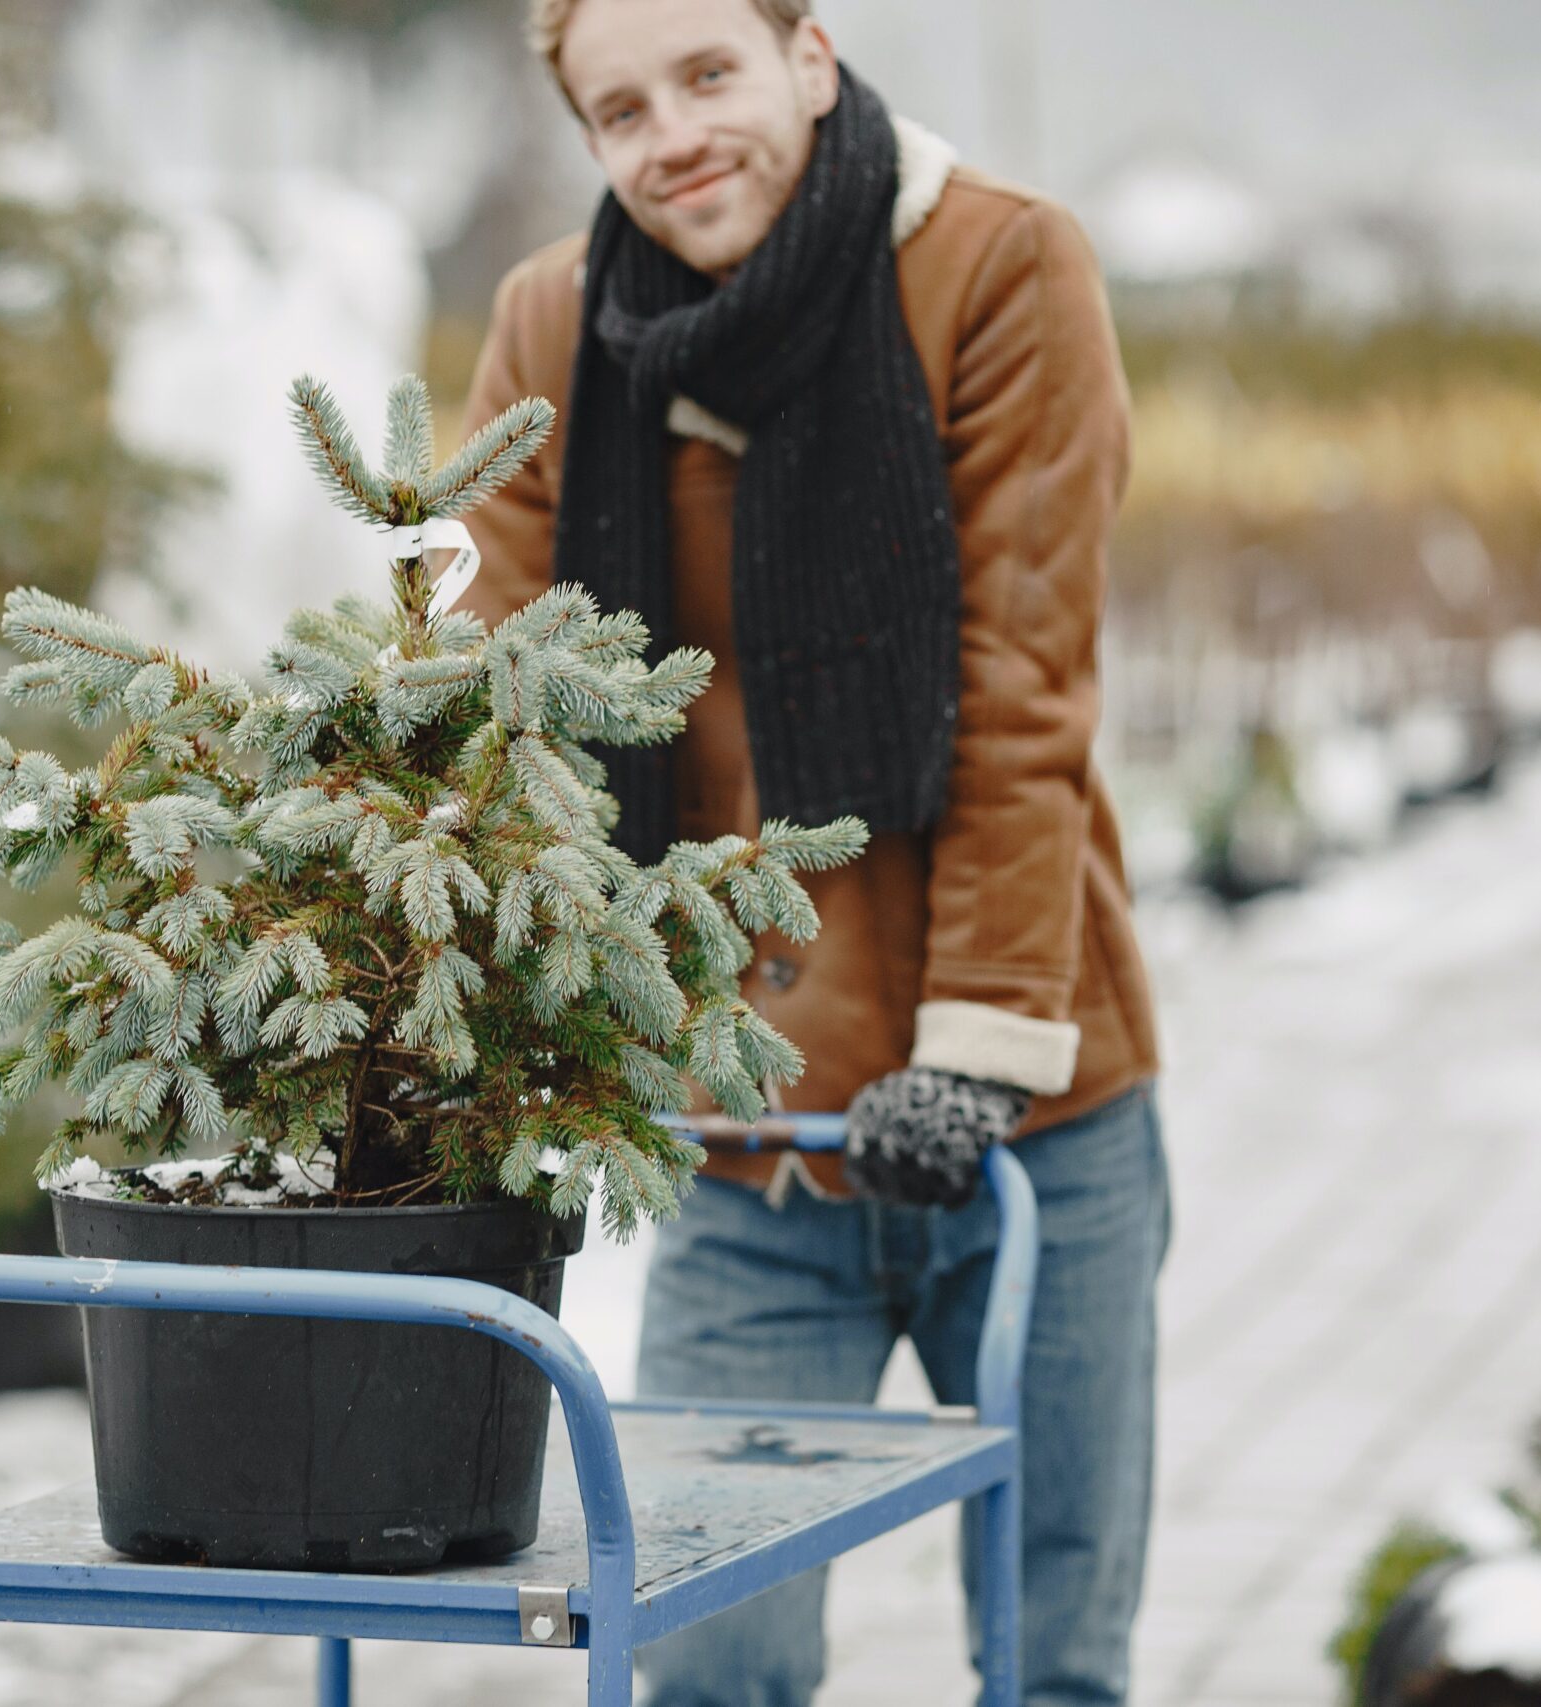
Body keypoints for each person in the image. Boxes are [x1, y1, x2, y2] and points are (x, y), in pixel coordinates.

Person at [451, 3, 1171, 1704]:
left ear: (812, 58)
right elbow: (488, 697)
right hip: (751, 1123)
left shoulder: (996, 270)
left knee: (1052, 1655)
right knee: (707, 1656)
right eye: (620, 110)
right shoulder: (559, 324)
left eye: (710, 74)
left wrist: (981, 1051)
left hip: (1032, 1123)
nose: (674, 134)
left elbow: (1018, 683)